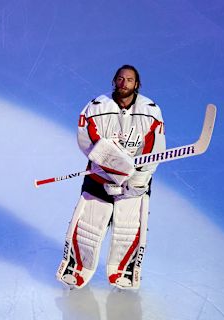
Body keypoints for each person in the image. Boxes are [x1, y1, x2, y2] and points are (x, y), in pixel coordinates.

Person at [56, 65, 166, 290]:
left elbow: (155, 147)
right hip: (100, 175)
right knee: (90, 222)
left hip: (135, 180)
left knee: (129, 225)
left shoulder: (151, 110)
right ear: (114, 81)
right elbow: (87, 141)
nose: (124, 83)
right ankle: (76, 267)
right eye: (120, 78)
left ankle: (124, 271)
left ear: (137, 84)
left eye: (129, 79)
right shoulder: (96, 107)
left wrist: (140, 177)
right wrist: (109, 168)